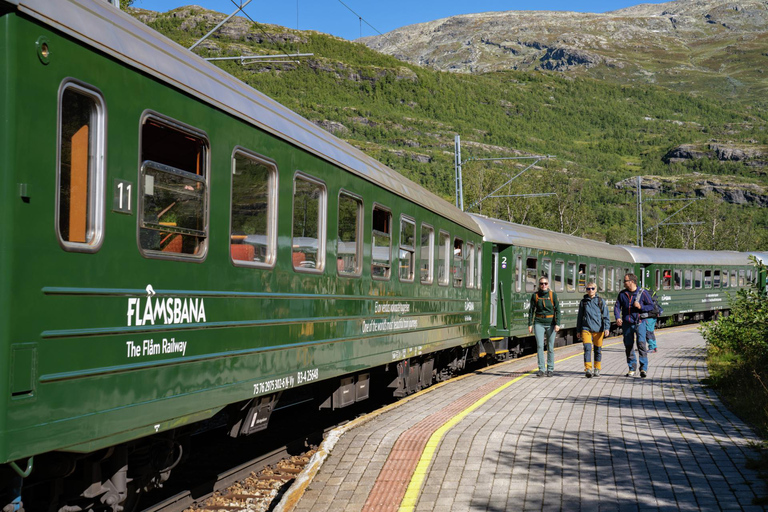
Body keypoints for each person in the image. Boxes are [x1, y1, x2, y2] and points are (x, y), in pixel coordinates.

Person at [614, 273, 655, 378]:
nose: (624, 283)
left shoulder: (643, 293)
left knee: (641, 345)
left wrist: (641, 306)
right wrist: (618, 317)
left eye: (625, 281)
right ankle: (631, 368)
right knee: (628, 346)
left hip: (640, 323)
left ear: (631, 282)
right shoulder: (622, 294)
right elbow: (617, 307)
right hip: (627, 323)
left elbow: (651, 306)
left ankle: (643, 369)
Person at [528, 276, 561, 377]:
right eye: (542, 283)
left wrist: (557, 323)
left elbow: (558, 310)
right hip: (539, 322)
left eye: (545, 283)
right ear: (539, 285)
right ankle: (541, 369)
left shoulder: (553, 295)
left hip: (551, 323)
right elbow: (531, 311)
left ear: (548, 284)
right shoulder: (535, 296)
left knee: (550, 347)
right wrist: (530, 324)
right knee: (540, 346)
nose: (543, 285)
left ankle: (550, 369)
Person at [577, 281, 610, 378]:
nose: (590, 290)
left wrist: (607, 328)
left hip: (598, 329)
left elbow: (606, 316)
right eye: (588, 289)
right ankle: (588, 369)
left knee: (597, 350)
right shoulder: (583, 302)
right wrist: (578, 330)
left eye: (592, 288)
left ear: (595, 290)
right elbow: (580, 317)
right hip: (586, 328)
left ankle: (597, 368)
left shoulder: (600, 301)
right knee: (587, 348)